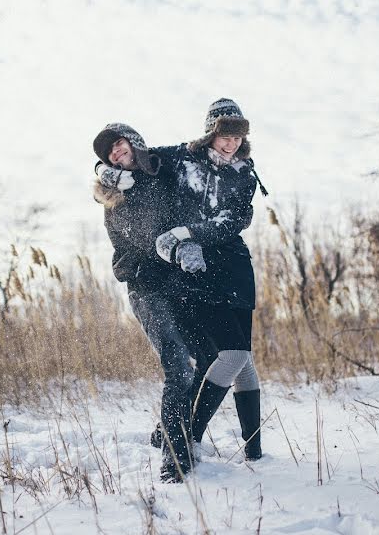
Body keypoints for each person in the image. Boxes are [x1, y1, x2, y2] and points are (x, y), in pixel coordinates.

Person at [98, 99, 265, 461]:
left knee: (242, 359)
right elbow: (141, 158)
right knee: (231, 355)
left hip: (229, 261)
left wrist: (187, 231)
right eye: (224, 134)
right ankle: (187, 433)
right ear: (211, 132)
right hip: (193, 269)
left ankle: (254, 451)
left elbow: (235, 221)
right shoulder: (185, 158)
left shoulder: (245, 174)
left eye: (238, 136)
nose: (231, 142)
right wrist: (105, 171)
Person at [92, 123, 214, 483]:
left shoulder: (166, 172)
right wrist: (146, 266)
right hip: (146, 288)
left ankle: (168, 428)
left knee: (209, 356)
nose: (116, 152)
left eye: (119, 143)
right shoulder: (114, 201)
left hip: (182, 282)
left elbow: (191, 161)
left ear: (135, 143)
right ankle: (175, 457)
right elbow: (124, 253)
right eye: (108, 152)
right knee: (177, 364)